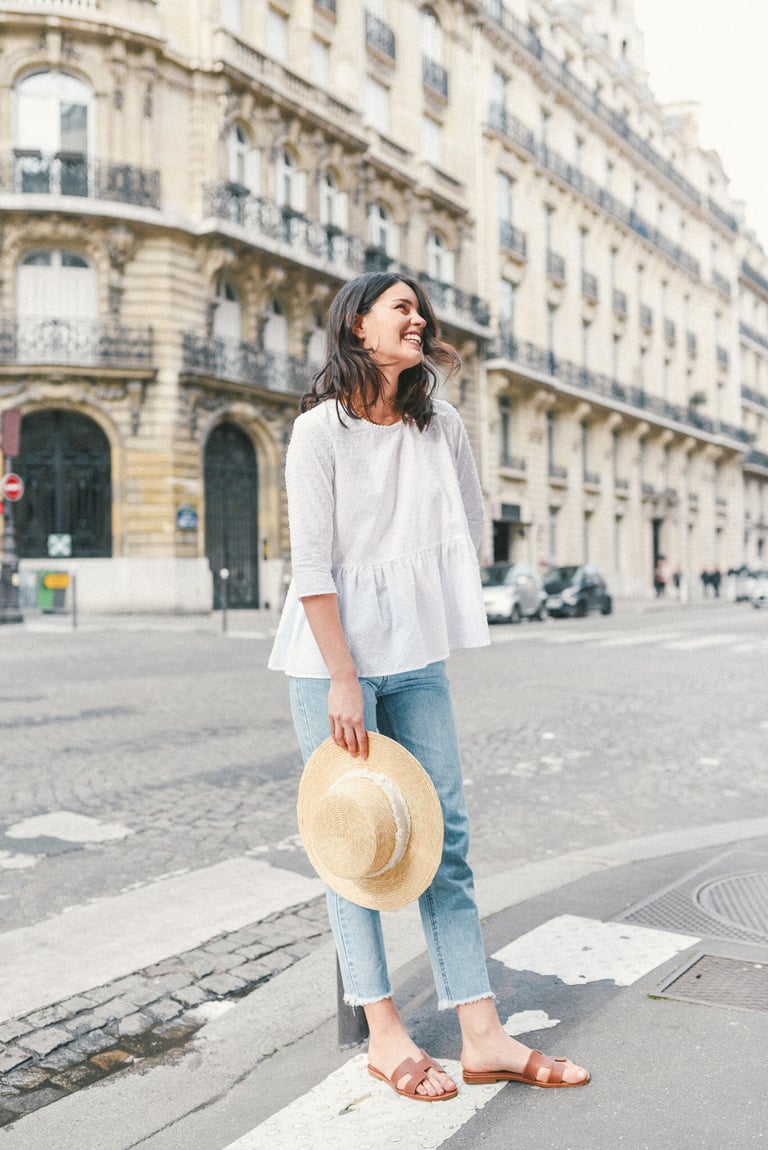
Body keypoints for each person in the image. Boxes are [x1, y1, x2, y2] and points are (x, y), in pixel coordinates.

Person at [269, 271, 589, 1101]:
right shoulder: (318, 432)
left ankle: (482, 1034)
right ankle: (384, 1035)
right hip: (331, 660)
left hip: (413, 656)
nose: (418, 319)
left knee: (445, 837)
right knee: (353, 843)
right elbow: (312, 568)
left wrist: (416, 603)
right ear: (358, 325)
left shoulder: (440, 424)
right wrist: (344, 675)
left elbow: (468, 524)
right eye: (401, 307)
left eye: (420, 310)